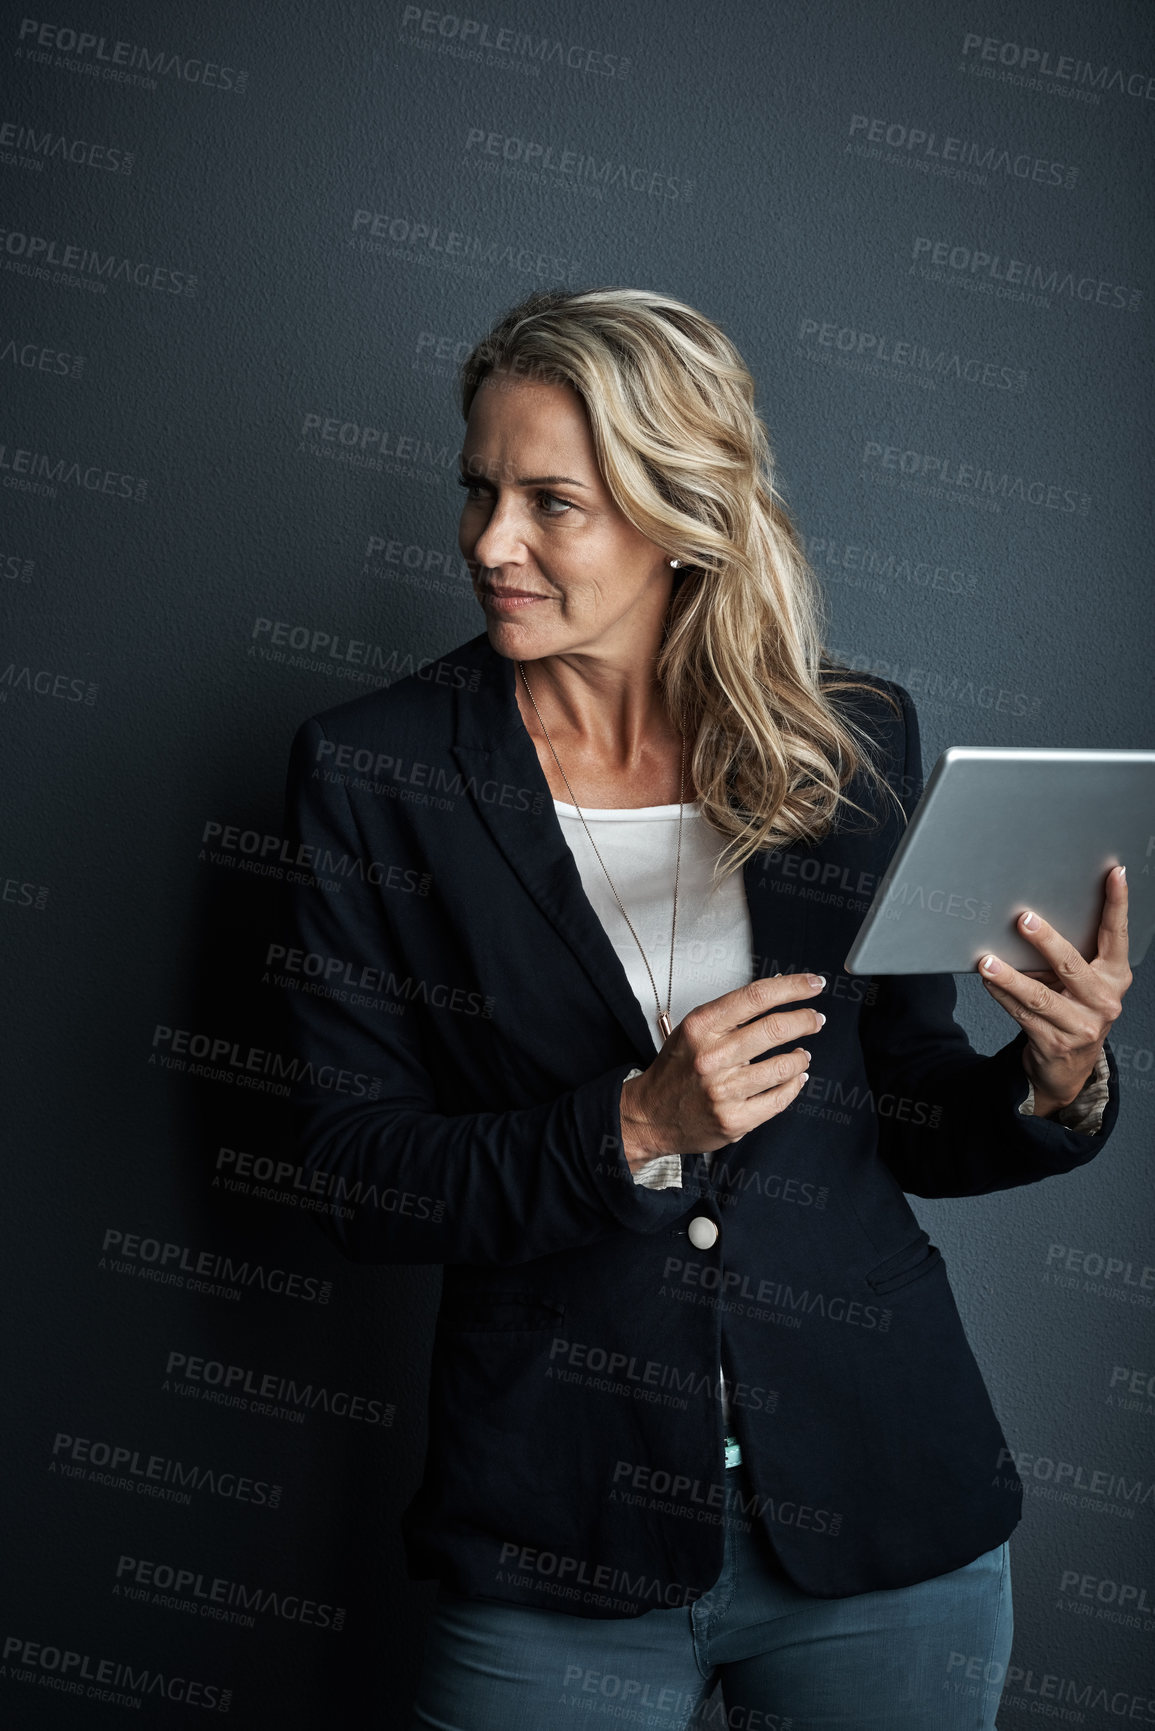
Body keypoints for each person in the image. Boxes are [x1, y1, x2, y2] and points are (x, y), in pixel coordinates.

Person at [279, 288, 1128, 1730]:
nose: (492, 544)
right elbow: (355, 1173)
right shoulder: (373, 772)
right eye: (480, 490)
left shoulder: (850, 740)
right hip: (556, 1526)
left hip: (886, 1517)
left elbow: (905, 1105)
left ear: (683, 512)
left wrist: (1055, 1083)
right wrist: (630, 1126)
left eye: (556, 502)